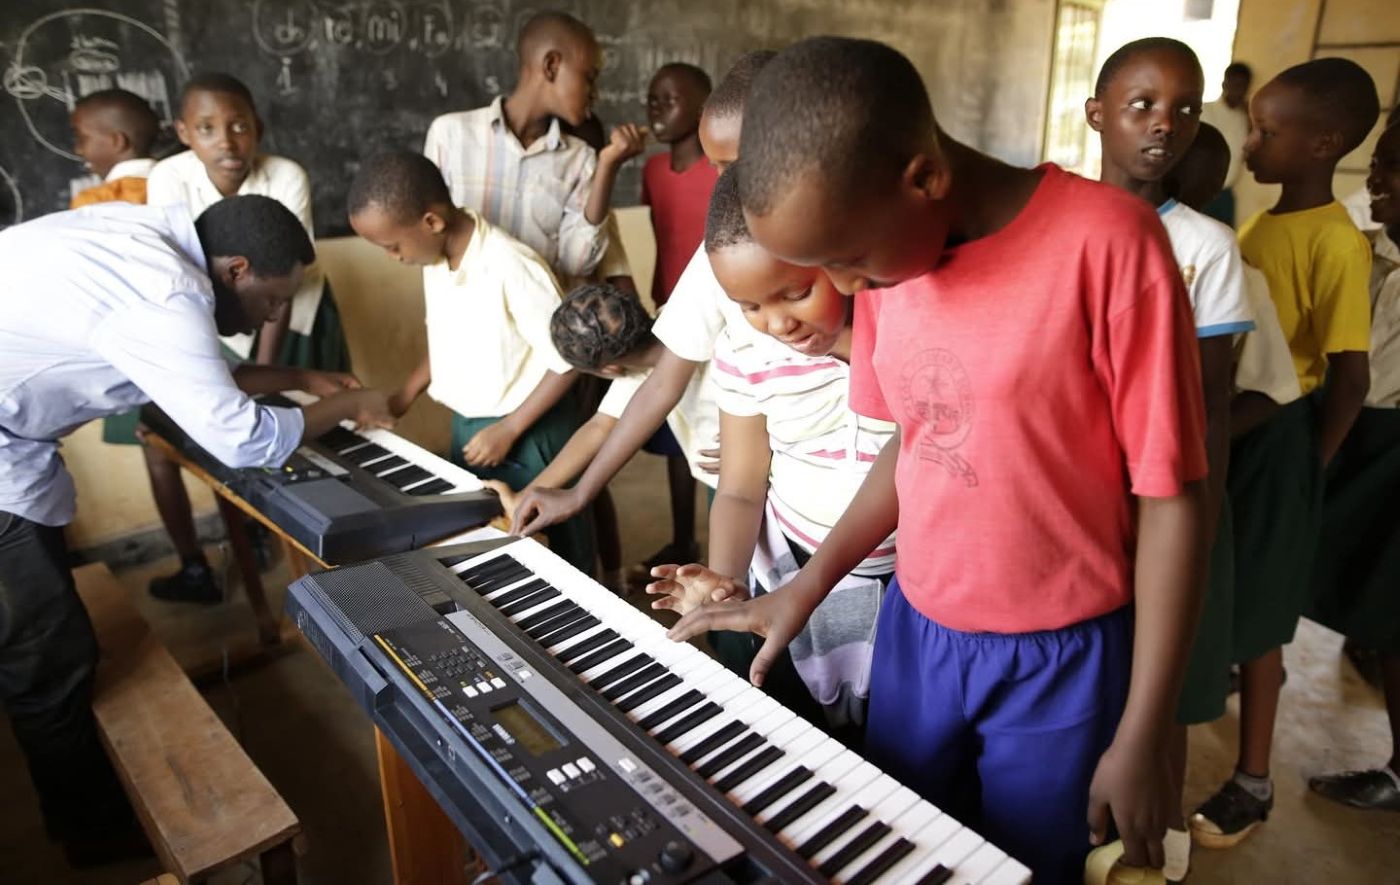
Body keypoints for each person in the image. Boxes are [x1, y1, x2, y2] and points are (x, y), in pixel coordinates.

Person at [663, 38, 1208, 884]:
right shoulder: (887, 261)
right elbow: (914, 442)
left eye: (846, 260)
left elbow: (1172, 499)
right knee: (909, 847)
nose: (844, 287)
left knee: (1026, 862)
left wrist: (1144, 729)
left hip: (1056, 659)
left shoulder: (1107, 244)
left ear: (922, 178)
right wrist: (806, 587)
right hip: (917, 637)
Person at [0, 195, 392, 868]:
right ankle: (90, 831)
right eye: (273, 300)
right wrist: (349, 404)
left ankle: (83, 800)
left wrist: (299, 377)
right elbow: (244, 439)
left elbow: (186, 365)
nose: (273, 317)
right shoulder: (167, 290)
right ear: (236, 269)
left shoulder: (157, 238)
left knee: (55, 632)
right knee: (48, 655)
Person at [1189, 57, 1379, 849]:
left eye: (1268, 132)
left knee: (1262, 618)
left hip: (1279, 439)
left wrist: (1311, 467)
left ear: (1323, 143)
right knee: (1227, 587)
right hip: (1239, 427)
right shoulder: (1262, 227)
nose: (1251, 144)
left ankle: (1254, 780)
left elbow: (1349, 376)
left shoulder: (1336, 241)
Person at [649, 167, 896, 739]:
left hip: (903, 583)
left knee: (887, 744)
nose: (778, 323)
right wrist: (723, 579)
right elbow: (740, 486)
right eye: (749, 305)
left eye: (797, 293)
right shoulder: (745, 350)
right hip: (789, 565)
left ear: (841, 258)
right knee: (800, 731)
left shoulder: (904, 335)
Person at [1086, 39, 1253, 882]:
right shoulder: (1062, 220)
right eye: (1143, 104)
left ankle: (1155, 845)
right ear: (1097, 114)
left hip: (1161, 496)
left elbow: (1210, 405)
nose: (1165, 124)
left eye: (1185, 109)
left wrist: (1200, 518)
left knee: (1164, 679)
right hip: (1079, 495)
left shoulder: (1206, 246)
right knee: (1092, 668)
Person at [511, 50, 777, 540]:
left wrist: (771, 437)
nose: (723, 185)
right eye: (716, 167)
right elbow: (655, 390)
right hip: (750, 477)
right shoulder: (710, 265)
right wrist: (573, 492)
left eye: (731, 165)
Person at [143, 72, 353, 601]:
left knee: (309, 432)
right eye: (207, 128)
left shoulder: (285, 175)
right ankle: (226, 549)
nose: (227, 141)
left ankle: (330, 555)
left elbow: (281, 284)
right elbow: (185, 276)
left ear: (257, 127)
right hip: (206, 314)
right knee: (201, 435)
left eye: (239, 126)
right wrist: (256, 391)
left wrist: (275, 377)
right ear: (183, 132)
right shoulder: (167, 179)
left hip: (292, 314)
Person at [346, 151, 595, 574]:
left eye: (392, 246)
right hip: (474, 428)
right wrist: (405, 395)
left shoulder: (509, 264)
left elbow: (569, 361)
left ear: (431, 222)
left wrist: (510, 428)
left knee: (554, 553)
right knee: (493, 547)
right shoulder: (434, 258)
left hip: (531, 431)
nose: (393, 257)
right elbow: (446, 336)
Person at [490, 282, 721, 583]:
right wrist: (523, 496)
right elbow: (600, 426)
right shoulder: (655, 344)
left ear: (608, 370)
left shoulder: (700, 338)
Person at [1306, 121, 1400, 813]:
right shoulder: (1369, 252)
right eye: (1378, 162)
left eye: (1392, 166)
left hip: (1390, 442)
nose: (1374, 177)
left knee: (1390, 614)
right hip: (1362, 432)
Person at [423, 11, 644, 284]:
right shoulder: (450, 136)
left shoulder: (580, 158)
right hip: (468, 310)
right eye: (589, 77)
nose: (595, 93)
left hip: (543, 311)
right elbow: (429, 239)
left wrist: (608, 167)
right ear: (551, 66)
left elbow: (577, 263)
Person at [635, 61, 719, 571]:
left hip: (718, 314)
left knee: (716, 433)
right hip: (669, 308)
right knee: (675, 432)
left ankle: (726, 547)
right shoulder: (652, 171)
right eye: (652, 99)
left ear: (703, 108)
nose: (656, 109)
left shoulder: (721, 169)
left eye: (669, 100)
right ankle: (683, 538)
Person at [69, 89, 160, 208]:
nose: (78, 150)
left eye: (82, 139)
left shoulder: (94, 202)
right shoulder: (177, 184)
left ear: (117, 141)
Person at [1199, 61, 1252, 226]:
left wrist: (1250, 115)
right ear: (1224, 84)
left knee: (1225, 236)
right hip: (1199, 190)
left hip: (1225, 194)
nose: (1238, 91)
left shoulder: (1244, 118)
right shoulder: (1204, 111)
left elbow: (1249, 150)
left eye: (1243, 86)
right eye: (1235, 85)